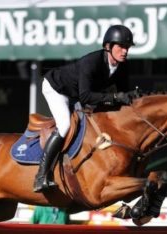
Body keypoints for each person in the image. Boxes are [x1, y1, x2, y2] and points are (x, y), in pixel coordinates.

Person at [33, 24, 136, 192]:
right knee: (65, 125)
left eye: (127, 47)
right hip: (56, 88)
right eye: (121, 46)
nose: (125, 51)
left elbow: (122, 95)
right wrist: (116, 97)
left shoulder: (122, 66)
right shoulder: (91, 62)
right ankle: (41, 176)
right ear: (108, 47)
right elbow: (86, 97)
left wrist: (131, 99)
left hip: (76, 94)